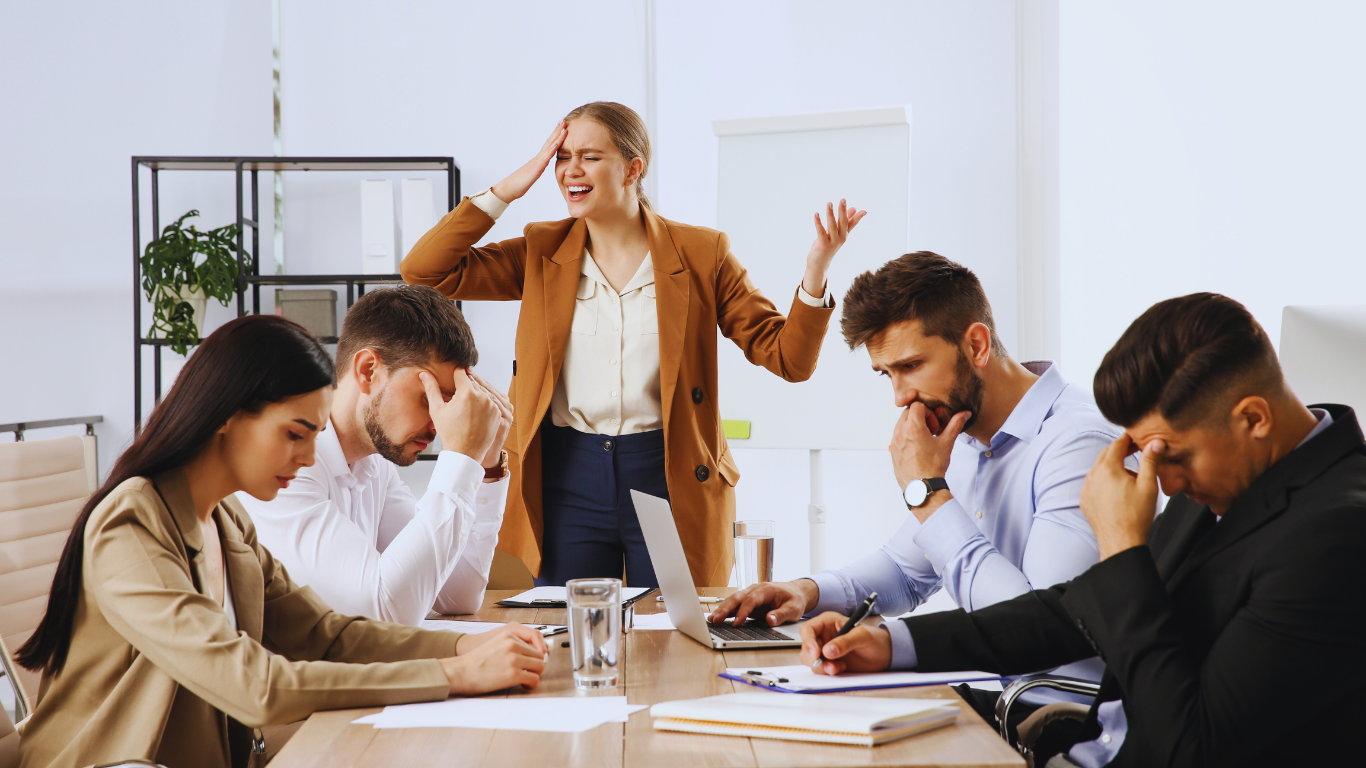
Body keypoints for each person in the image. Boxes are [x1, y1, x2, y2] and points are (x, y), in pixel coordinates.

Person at [798, 293, 1366, 766]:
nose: (1161, 482)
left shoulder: (1338, 536)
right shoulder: (1224, 472)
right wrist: (890, 643)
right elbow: (1069, 611)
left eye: (1169, 455)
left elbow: (1191, 748)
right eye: (1146, 451)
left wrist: (1123, 548)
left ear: (1252, 419)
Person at [15, 315, 547, 768]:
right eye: (295, 434)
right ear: (227, 415)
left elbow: (327, 636)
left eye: (315, 436)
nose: (310, 458)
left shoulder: (226, 521)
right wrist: (451, 674)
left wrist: (463, 645)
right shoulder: (131, 522)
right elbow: (256, 685)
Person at [401, 101, 865, 587]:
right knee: (572, 636)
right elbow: (425, 270)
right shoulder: (542, 251)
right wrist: (511, 187)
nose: (569, 171)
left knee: (675, 634)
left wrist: (815, 274)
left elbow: (788, 358)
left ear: (632, 168)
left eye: (589, 156)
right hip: (567, 476)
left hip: (668, 472)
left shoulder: (702, 254)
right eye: (562, 157)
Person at [709, 252, 1117, 691]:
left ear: (976, 345)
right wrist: (806, 591)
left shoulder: (1078, 444)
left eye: (911, 366)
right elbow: (906, 571)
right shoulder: (960, 433)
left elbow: (1039, 632)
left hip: (1065, 723)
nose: (901, 398)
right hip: (1005, 704)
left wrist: (928, 493)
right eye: (887, 374)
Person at [237, 285, 513, 624]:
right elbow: (386, 611)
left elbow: (458, 594)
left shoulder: (374, 468)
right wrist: (461, 458)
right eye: (429, 399)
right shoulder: (288, 466)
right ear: (368, 371)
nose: (440, 426)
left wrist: (486, 466)